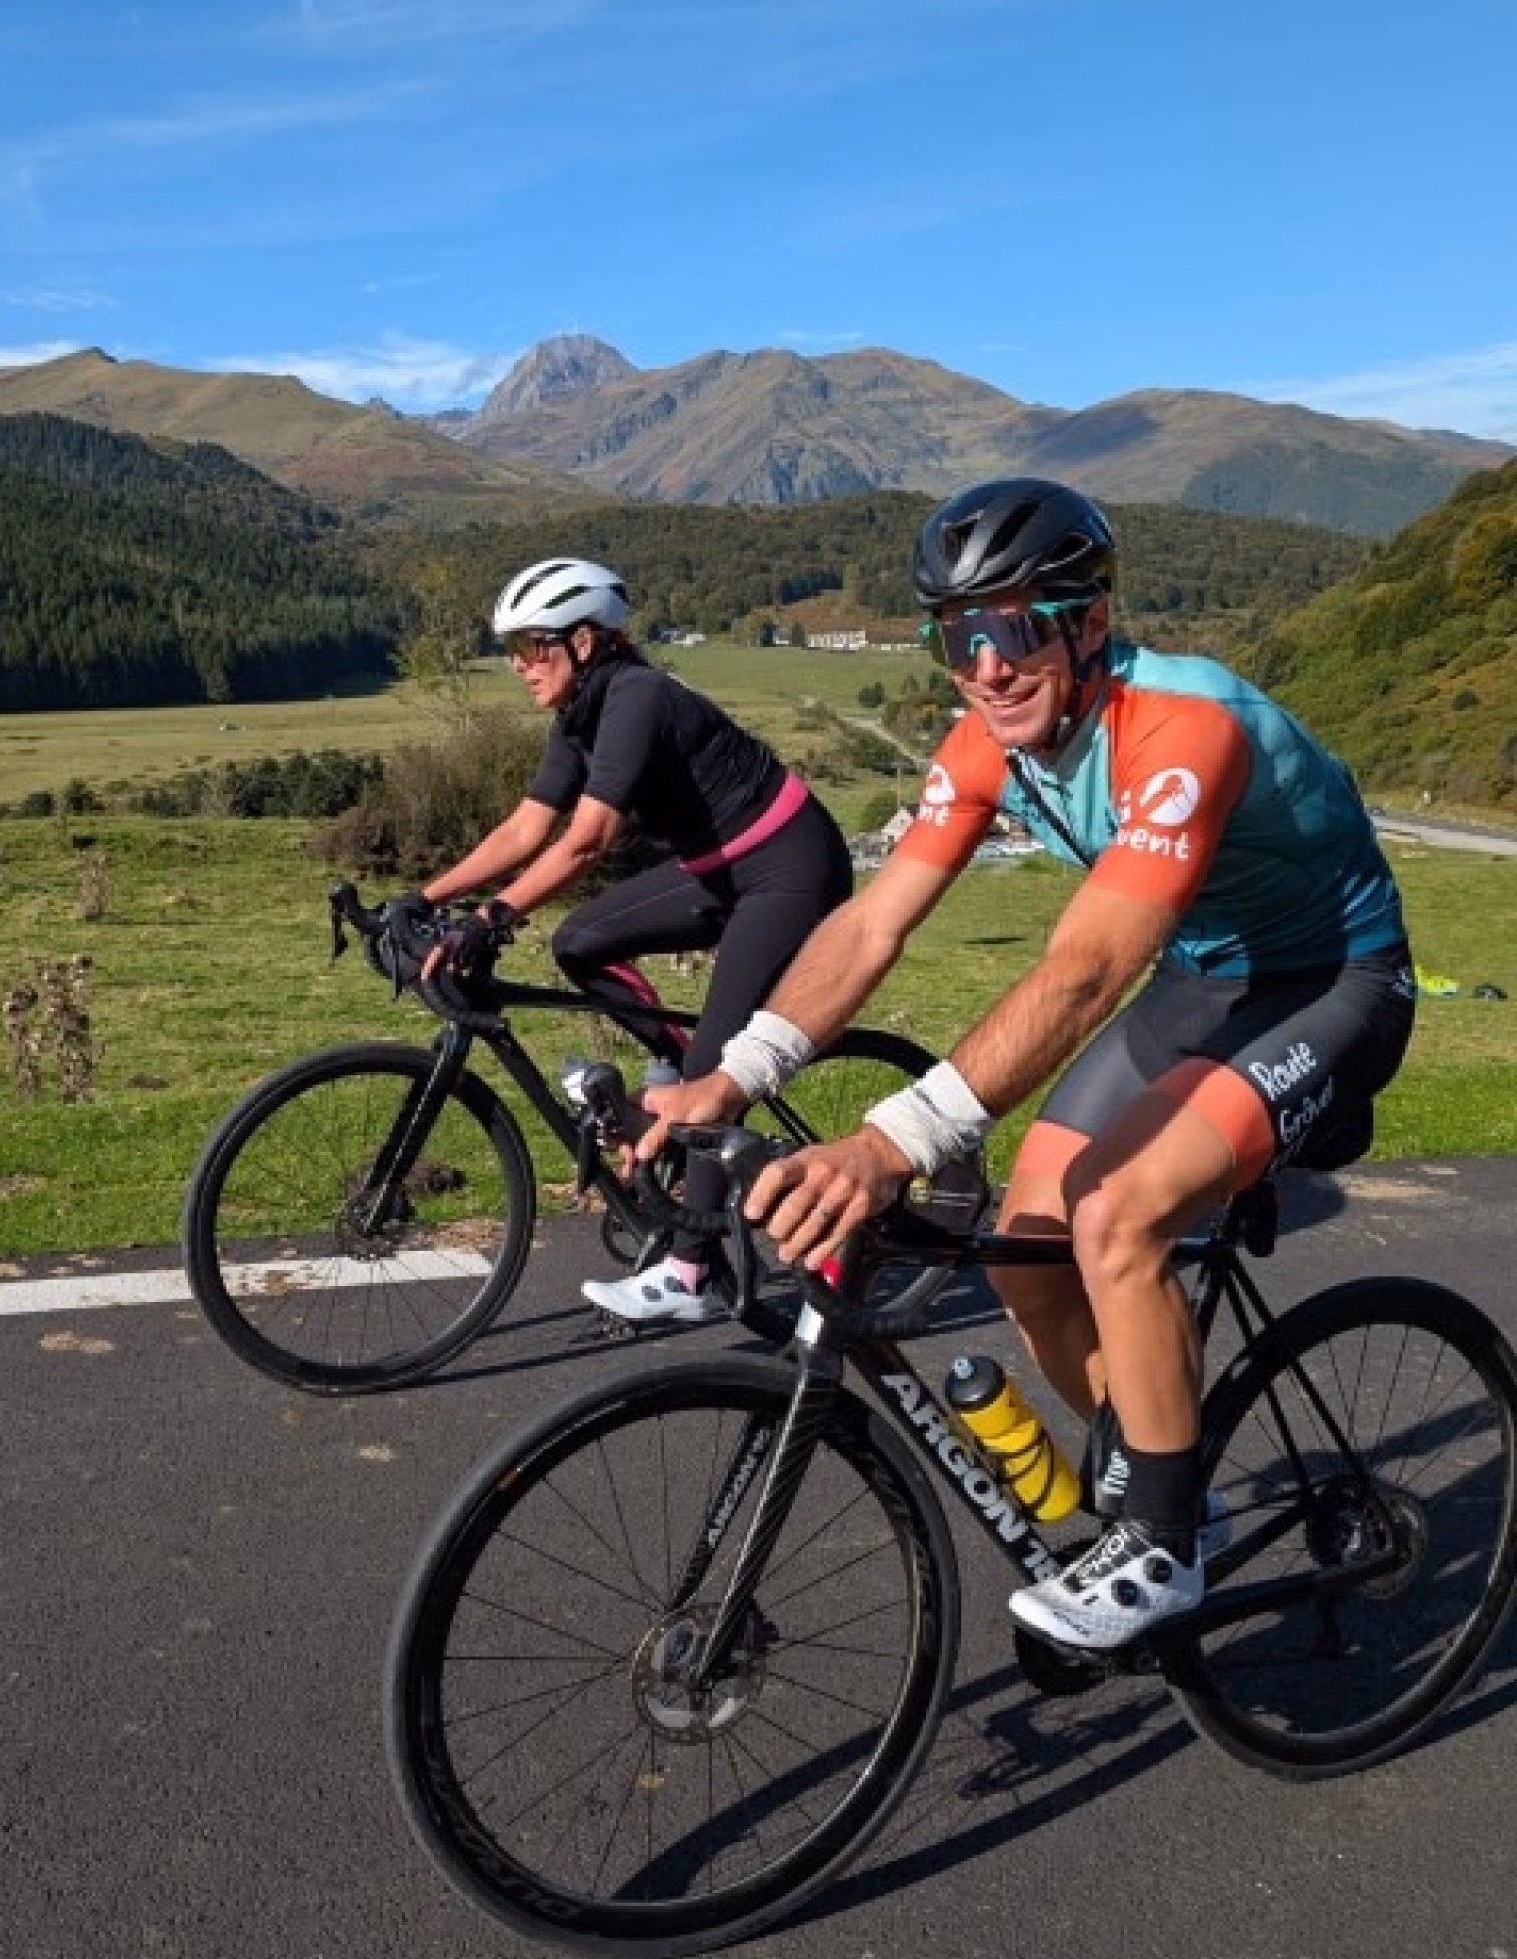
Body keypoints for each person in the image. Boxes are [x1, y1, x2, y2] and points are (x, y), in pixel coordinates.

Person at [641, 478, 1415, 1649]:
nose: (987, 667)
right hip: (1204, 980)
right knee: (1029, 1245)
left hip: (1333, 980)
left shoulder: (1184, 728)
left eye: (1013, 629)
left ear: (1089, 623)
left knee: (1118, 1215)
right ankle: (1172, 1481)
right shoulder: (986, 743)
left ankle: (1161, 1548)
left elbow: (1087, 970)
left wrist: (895, 1140)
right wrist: (736, 1070)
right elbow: (872, 923)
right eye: (956, 639)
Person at [403, 555, 854, 1328]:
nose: (519, 665)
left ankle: (691, 1271)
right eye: (511, 650)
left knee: (716, 1059)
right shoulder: (579, 715)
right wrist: (426, 896)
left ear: (583, 642)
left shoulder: (637, 697)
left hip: (789, 867)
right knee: (580, 941)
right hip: (719, 869)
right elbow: (527, 828)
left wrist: (492, 918)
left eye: (532, 647)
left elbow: (587, 840)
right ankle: (678, 1078)